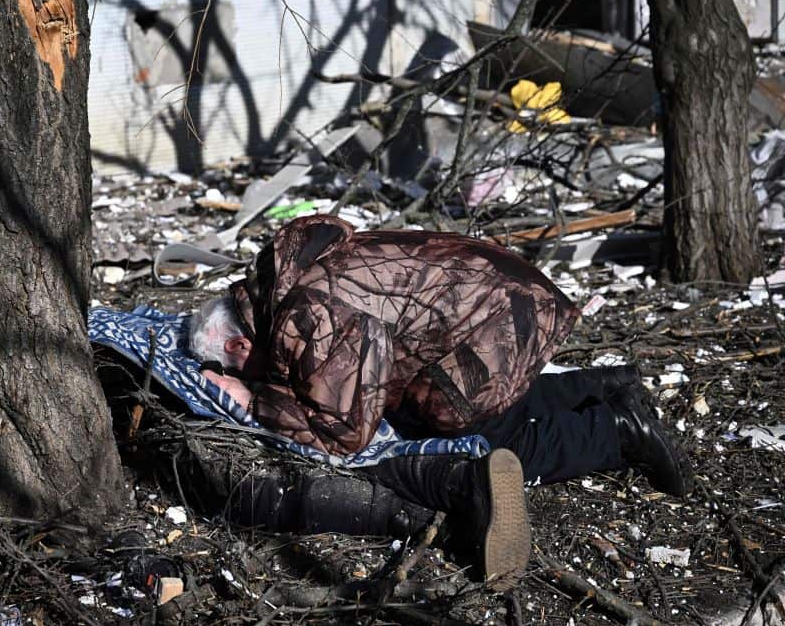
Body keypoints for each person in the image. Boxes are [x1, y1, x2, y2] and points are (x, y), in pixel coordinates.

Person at [189, 214, 693, 583]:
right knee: (437, 401)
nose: (246, 375)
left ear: (239, 344)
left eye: (238, 366)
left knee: (460, 426)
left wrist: (256, 404)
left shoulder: (306, 316)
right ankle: (602, 388)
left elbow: (344, 434)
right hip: (506, 297)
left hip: (502, 322)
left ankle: (612, 434)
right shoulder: (288, 277)